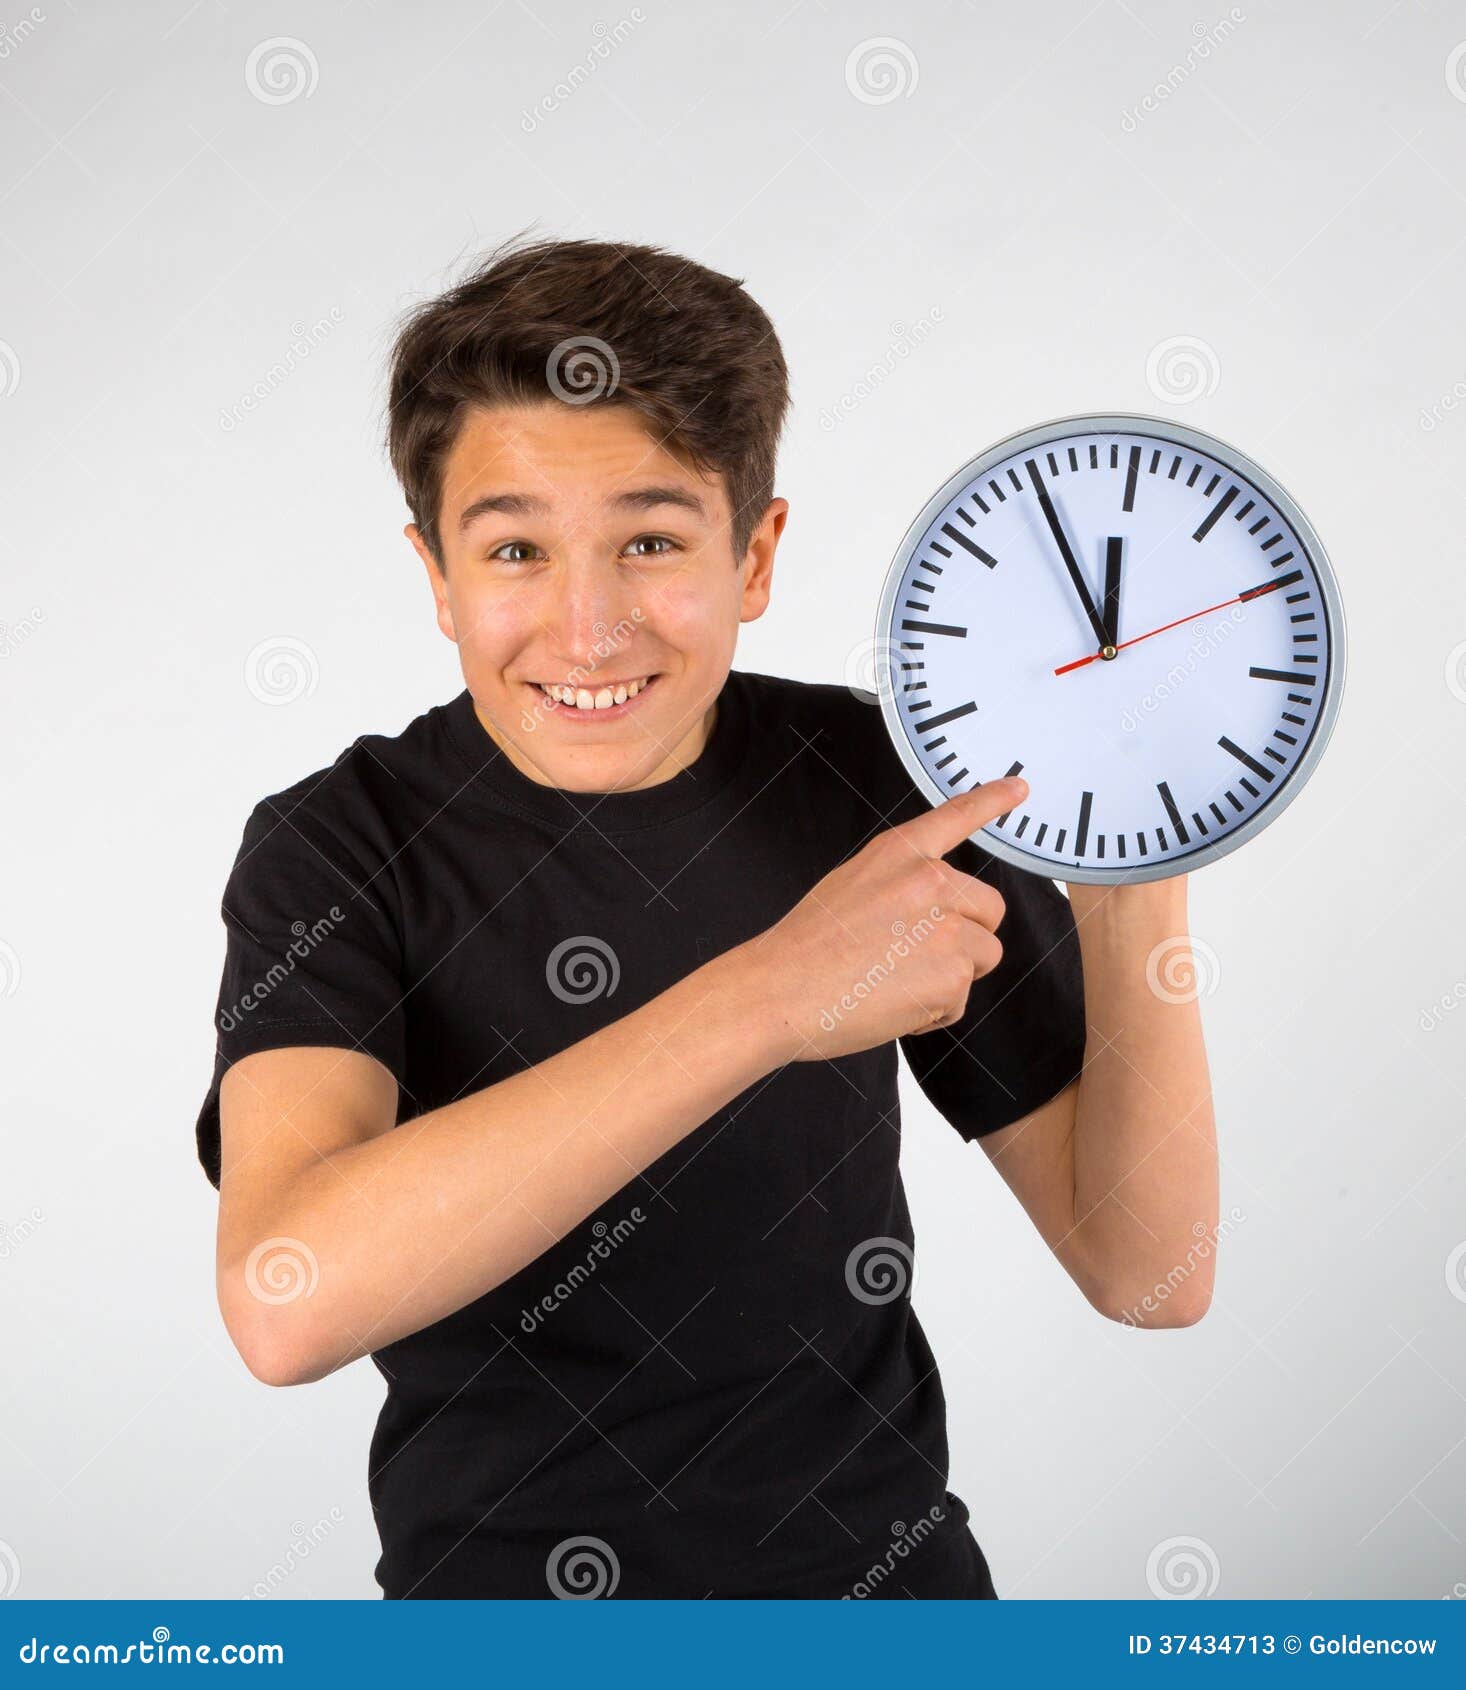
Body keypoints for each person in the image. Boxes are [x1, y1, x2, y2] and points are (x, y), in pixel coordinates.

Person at [195, 235, 1217, 1599]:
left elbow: (1150, 1270)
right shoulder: (339, 844)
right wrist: (771, 998)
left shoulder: (873, 784)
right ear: (435, 571)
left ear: (755, 552)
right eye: (513, 548)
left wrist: (1138, 847)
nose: (587, 626)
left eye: (652, 540)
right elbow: (284, 1300)